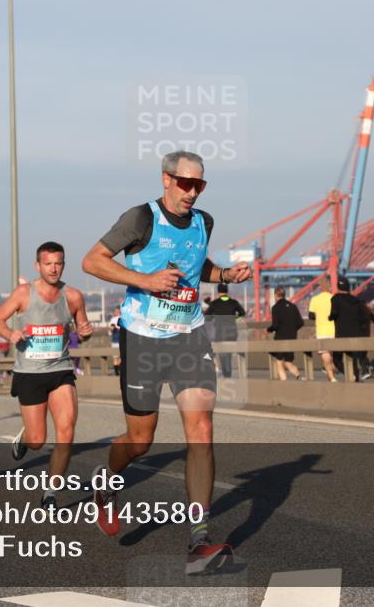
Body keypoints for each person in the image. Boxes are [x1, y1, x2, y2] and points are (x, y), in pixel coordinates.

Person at [82, 150, 251, 575]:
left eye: (200, 185)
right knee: (140, 441)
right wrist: (144, 280)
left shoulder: (203, 222)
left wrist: (227, 275)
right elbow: (93, 261)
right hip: (142, 339)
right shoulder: (140, 218)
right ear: (166, 180)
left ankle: (199, 540)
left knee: (202, 429)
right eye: (185, 183)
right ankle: (105, 485)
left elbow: (198, 267)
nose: (192, 192)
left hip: (189, 336)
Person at [0, 242, 94, 509]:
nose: (54, 268)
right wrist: (10, 333)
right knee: (37, 440)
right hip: (29, 372)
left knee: (66, 432)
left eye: (58, 263)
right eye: (48, 263)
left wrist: (85, 332)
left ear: (63, 264)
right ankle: (24, 438)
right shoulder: (24, 293)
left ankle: (50, 492)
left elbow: (82, 328)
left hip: (60, 369)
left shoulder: (73, 296)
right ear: (38, 266)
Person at [329, 277, 374, 381]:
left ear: (338, 287)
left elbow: (334, 314)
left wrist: (330, 317)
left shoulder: (335, 299)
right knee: (352, 357)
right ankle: (355, 378)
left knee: (336, 359)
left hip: (341, 334)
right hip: (355, 334)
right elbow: (363, 316)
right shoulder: (356, 300)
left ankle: (350, 375)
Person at [204, 283, 246, 378]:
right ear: (227, 291)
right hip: (232, 332)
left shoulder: (215, 304)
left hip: (220, 333)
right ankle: (231, 370)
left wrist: (213, 319)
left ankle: (227, 374)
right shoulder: (233, 302)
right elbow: (242, 313)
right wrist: (235, 319)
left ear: (218, 291)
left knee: (223, 354)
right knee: (229, 354)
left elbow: (207, 317)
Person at [266, 287, 304, 381]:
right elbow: (300, 323)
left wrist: (269, 329)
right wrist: (293, 330)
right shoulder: (293, 306)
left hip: (280, 339)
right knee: (288, 362)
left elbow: (275, 325)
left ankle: (284, 385)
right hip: (292, 337)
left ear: (276, 295)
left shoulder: (275, 308)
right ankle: (299, 377)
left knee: (279, 362)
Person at [307, 277, 339, 382]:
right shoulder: (334, 298)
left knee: (325, 356)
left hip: (322, 330)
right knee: (331, 355)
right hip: (334, 330)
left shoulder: (315, 299)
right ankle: (332, 374)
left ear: (320, 287)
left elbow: (311, 316)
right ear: (329, 286)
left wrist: (320, 315)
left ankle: (332, 378)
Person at [108, 308, 123, 376]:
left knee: (121, 357)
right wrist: (113, 327)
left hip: (121, 340)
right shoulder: (113, 319)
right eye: (115, 311)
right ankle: (116, 372)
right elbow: (110, 330)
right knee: (115, 357)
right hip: (115, 341)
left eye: (116, 311)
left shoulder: (122, 318)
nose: (115, 312)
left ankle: (120, 371)